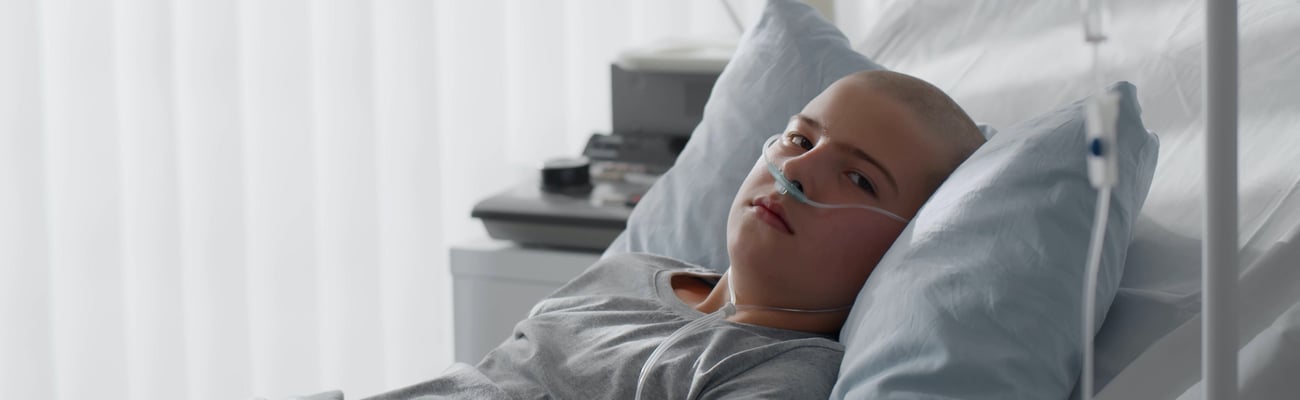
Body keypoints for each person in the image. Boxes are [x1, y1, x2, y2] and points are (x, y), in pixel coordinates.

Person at [360, 70, 987, 399]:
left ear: (902, 243)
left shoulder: (779, 372)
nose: (796, 170)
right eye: (800, 138)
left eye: (857, 177)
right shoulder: (632, 270)